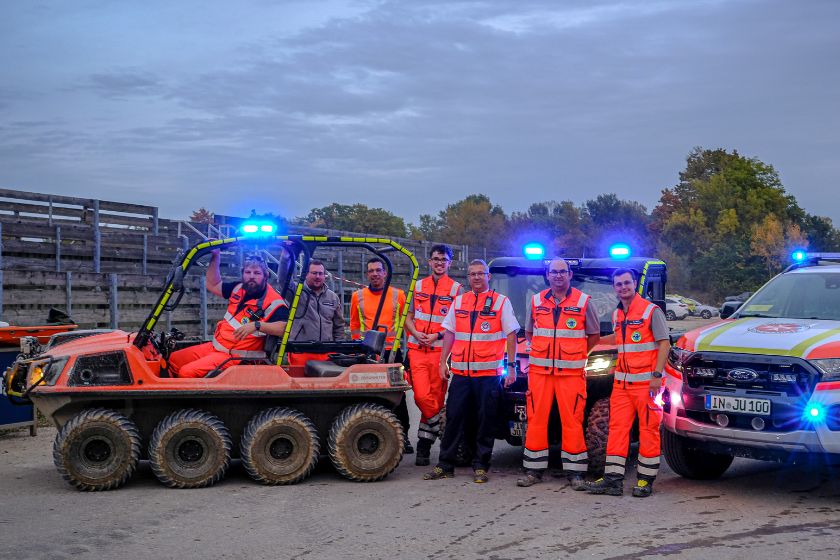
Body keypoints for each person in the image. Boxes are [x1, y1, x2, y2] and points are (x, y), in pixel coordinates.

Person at [424, 259, 520, 484]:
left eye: (480, 274)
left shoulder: (500, 302)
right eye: (472, 274)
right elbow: (449, 333)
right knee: (454, 419)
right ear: (468, 278)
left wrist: (512, 367)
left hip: (489, 376)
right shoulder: (459, 302)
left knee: (485, 421)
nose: (476, 277)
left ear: (488, 276)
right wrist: (442, 362)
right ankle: (445, 464)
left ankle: (481, 465)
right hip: (462, 375)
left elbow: (511, 335)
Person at [516, 257, 600, 489]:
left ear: (570, 275)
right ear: (548, 275)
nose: (558, 275)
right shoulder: (535, 301)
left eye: (563, 272)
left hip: (570, 375)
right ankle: (533, 470)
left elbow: (593, 336)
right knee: (536, 421)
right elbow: (530, 332)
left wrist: (576, 354)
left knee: (572, 421)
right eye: (554, 272)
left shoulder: (584, 302)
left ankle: (575, 473)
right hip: (540, 374)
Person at [585, 268, 670, 497]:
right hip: (621, 386)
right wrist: (594, 341)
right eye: (618, 284)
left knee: (648, 430)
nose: (623, 287)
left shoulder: (651, 311)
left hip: (646, 385)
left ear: (635, 283)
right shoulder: (617, 314)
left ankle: (645, 481)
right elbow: (619, 338)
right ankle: (613, 480)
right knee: (617, 430)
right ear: (614, 288)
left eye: (626, 283)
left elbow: (664, 343)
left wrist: (656, 376)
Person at [168, 251, 289, 378]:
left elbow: (285, 329)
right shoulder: (239, 288)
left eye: (257, 273)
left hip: (237, 358)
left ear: (266, 276)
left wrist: (257, 325)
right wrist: (215, 256)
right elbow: (213, 284)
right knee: (174, 360)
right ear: (242, 273)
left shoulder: (273, 302)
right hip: (215, 349)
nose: (251, 276)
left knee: (186, 372)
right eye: (248, 272)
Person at [404, 244, 462, 466]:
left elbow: (456, 324)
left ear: (449, 263)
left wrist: (436, 334)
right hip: (417, 349)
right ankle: (444, 427)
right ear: (429, 261)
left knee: (436, 398)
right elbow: (408, 317)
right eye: (436, 259)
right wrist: (417, 333)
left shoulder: (456, 289)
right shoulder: (417, 286)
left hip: (440, 352)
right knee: (420, 396)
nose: (439, 262)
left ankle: (424, 448)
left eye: (443, 259)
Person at [349, 256, 412, 453]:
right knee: (369, 395)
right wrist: (355, 348)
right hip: (368, 355)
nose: (375, 274)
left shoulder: (398, 295)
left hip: (393, 353)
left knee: (398, 396)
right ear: (367, 274)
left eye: (378, 270)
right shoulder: (357, 296)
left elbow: (407, 323)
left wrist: (409, 349)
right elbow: (354, 325)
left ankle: (404, 436)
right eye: (371, 271)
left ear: (385, 273)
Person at [287, 259, 346, 368]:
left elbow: (339, 326)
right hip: (301, 352)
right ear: (306, 274)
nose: (318, 276)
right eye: (314, 273)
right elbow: (283, 279)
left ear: (324, 276)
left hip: (327, 353)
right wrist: (286, 257)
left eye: (320, 273)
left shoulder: (333, 297)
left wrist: (338, 349)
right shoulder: (296, 292)